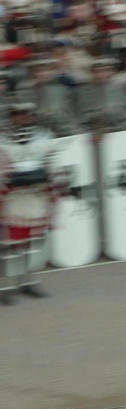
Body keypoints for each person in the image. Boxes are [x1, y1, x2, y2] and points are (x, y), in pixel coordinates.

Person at [0, 102, 62, 304]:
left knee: (29, 242)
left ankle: (27, 280)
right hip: (12, 198)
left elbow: (51, 162)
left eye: (24, 113)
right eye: (17, 113)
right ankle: (5, 285)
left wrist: (48, 181)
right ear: (11, 116)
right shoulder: (3, 139)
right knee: (8, 243)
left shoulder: (42, 137)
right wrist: (8, 181)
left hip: (35, 196)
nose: (21, 117)